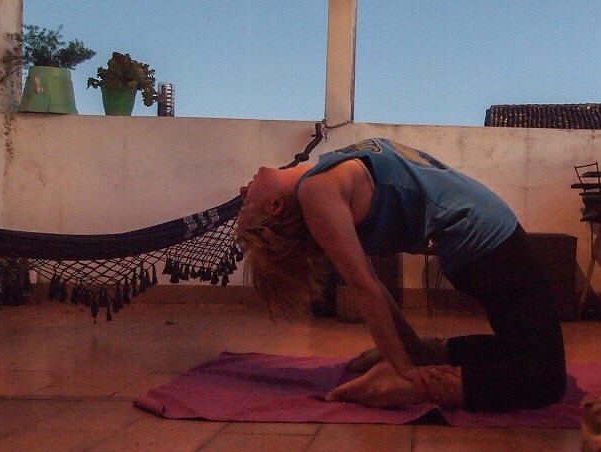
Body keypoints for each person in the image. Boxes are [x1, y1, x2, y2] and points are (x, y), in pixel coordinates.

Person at [235, 137, 566, 412]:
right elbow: (365, 286)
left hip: (484, 241)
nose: (242, 190)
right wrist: (405, 370)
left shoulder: (322, 174)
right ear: (275, 206)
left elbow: (373, 286)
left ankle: (434, 353)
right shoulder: (316, 191)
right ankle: (411, 387)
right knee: (545, 380)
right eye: (245, 204)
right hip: (490, 243)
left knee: (519, 351)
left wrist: (412, 350)